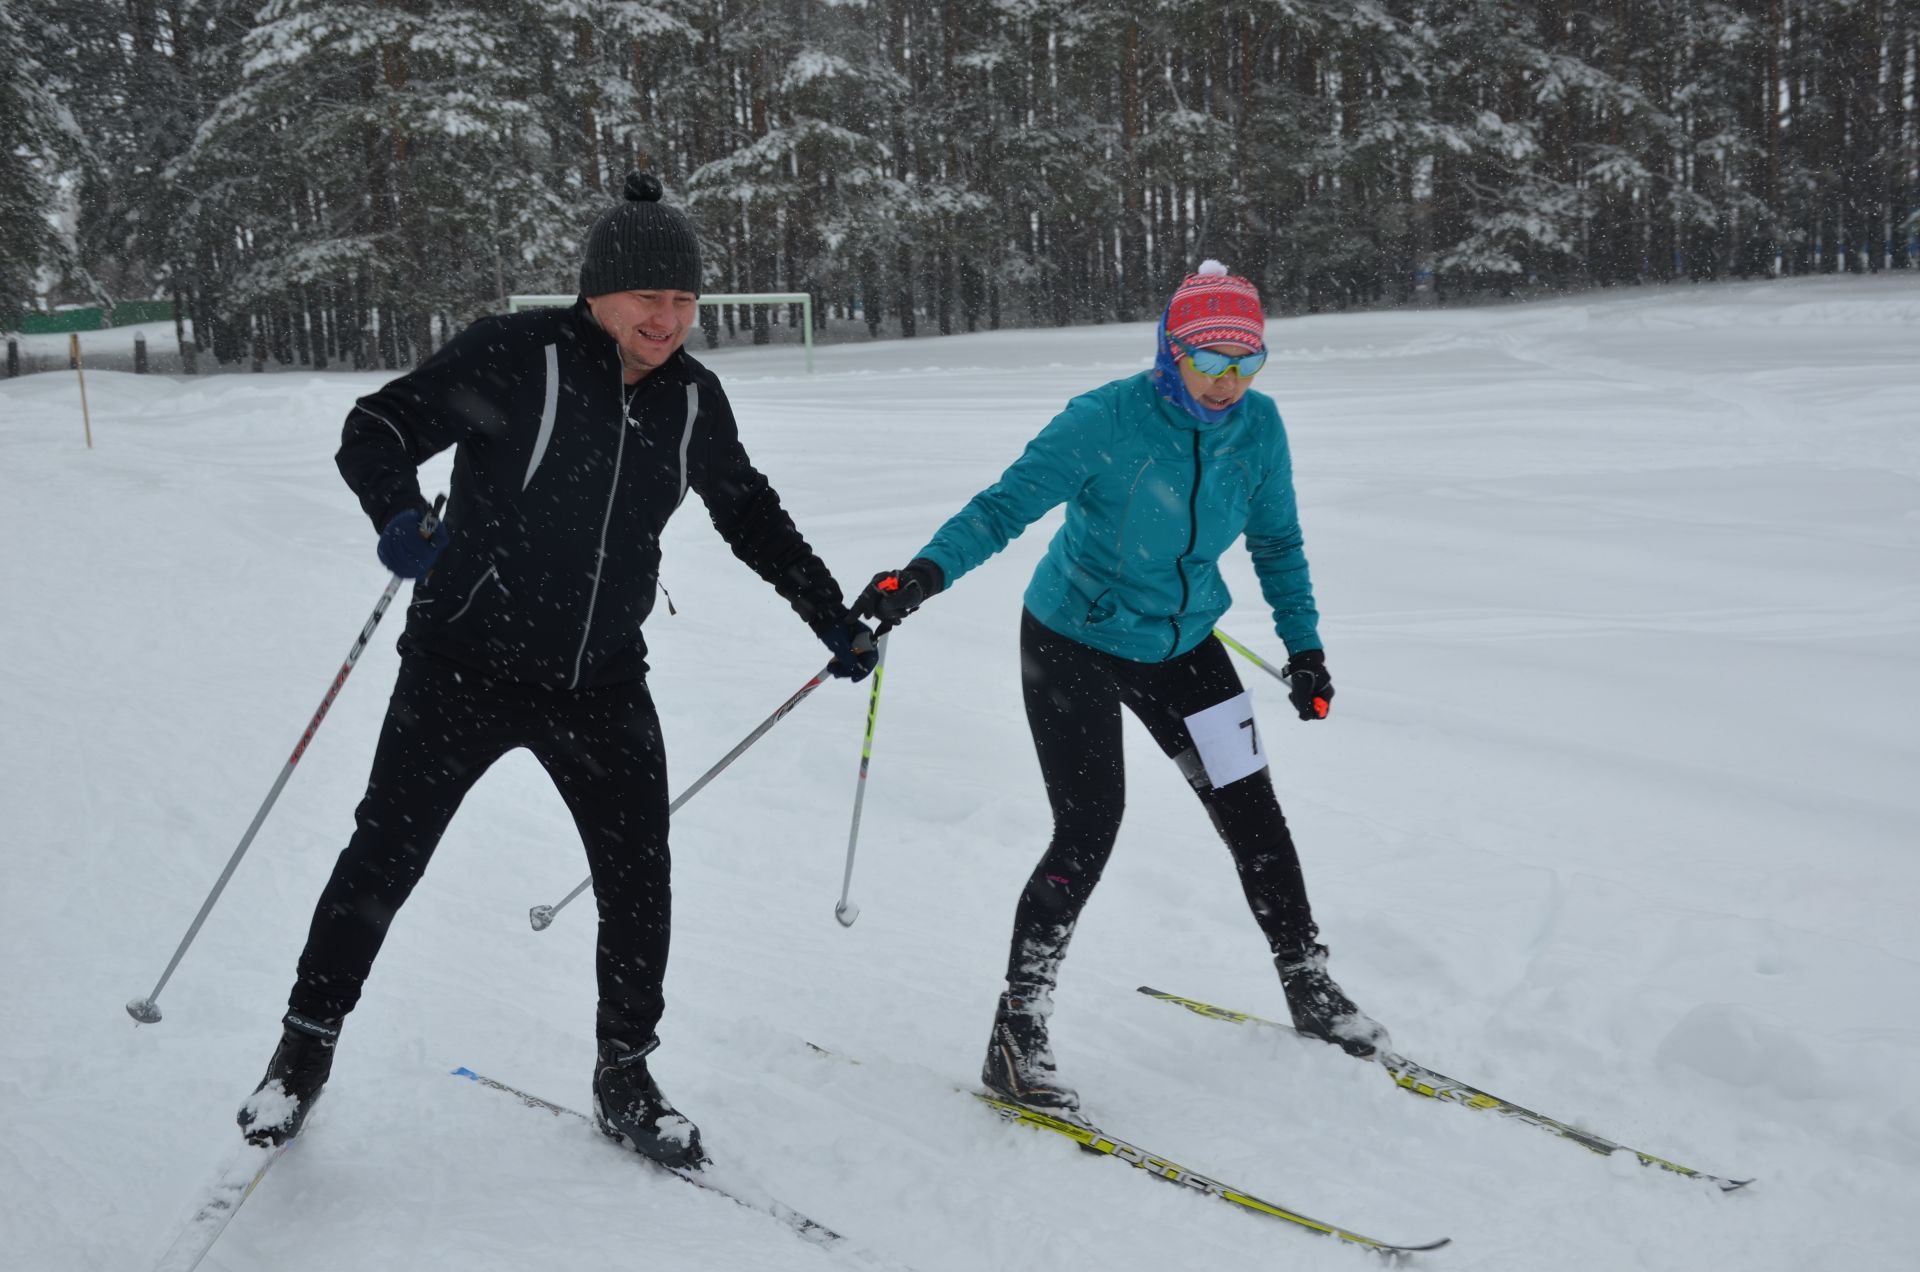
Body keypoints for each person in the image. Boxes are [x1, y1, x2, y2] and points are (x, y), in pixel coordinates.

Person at [236, 173, 877, 1168]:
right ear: (597, 295)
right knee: (384, 859)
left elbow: (747, 512)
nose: (667, 320)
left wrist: (830, 616)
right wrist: (399, 517)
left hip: (600, 679)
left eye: (682, 301)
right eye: (647, 299)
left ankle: (625, 1070)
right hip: (463, 664)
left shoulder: (693, 402)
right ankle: (301, 1052)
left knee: (637, 874)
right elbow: (380, 427)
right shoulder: (515, 355)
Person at [857, 261, 1388, 1113]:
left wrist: (1308, 649)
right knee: (1090, 825)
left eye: (1247, 364)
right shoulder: (1102, 421)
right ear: (1168, 352)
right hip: (1074, 640)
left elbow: (1278, 543)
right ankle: (1016, 1029)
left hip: (1183, 645)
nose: (1227, 383)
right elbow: (1003, 509)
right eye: (1209, 362)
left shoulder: (1260, 428)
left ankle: (1307, 980)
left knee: (1252, 807)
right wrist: (920, 576)